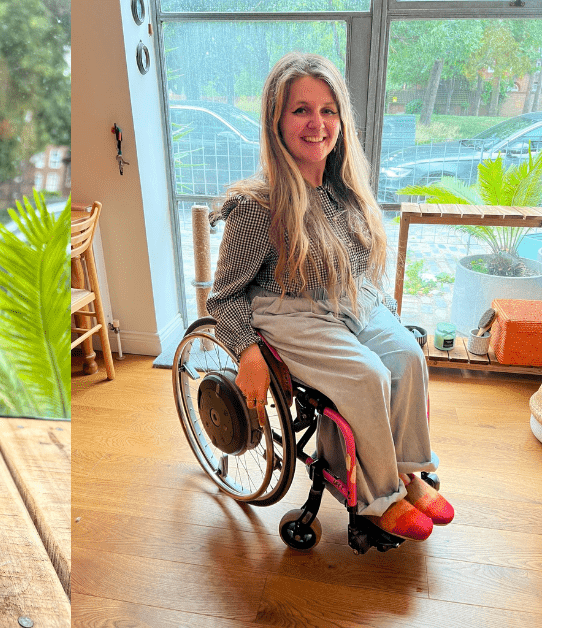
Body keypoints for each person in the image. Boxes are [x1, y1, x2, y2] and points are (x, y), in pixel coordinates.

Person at [206, 52, 453, 541]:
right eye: (300, 110)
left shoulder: (344, 192)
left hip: (351, 299)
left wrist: (389, 317)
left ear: (342, 120)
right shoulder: (257, 206)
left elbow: (360, 271)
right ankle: (378, 497)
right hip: (289, 308)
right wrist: (247, 352)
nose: (316, 123)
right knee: (366, 376)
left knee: (407, 357)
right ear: (276, 120)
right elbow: (223, 298)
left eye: (328, 110)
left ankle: (408, 474)